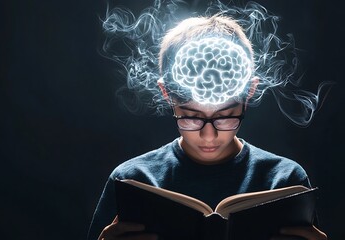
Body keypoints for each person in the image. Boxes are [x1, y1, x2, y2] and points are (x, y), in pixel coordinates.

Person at [87, 14, 328, 240]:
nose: (209, 135)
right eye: (192, 117)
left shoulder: (284, 181)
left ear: (250, 92)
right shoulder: (132, 181)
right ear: (167, 94)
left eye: (225, 116)